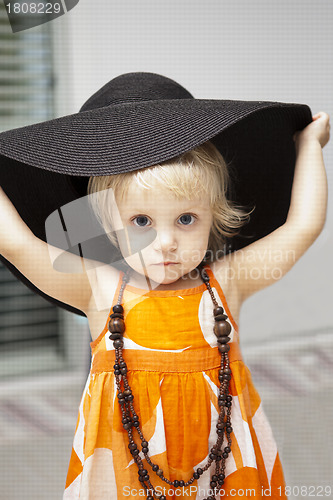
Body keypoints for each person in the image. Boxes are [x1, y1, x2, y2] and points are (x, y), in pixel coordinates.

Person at [0, 72, 330, 499]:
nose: (166, 243)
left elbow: (303, 225)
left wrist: (308, 146)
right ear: (106, 226)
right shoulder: (97, 288)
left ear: (214, 218)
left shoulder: (225, 283)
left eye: (186, 219)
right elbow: (13, 241)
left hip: (223, 459)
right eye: (141, 222)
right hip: (125, 464)